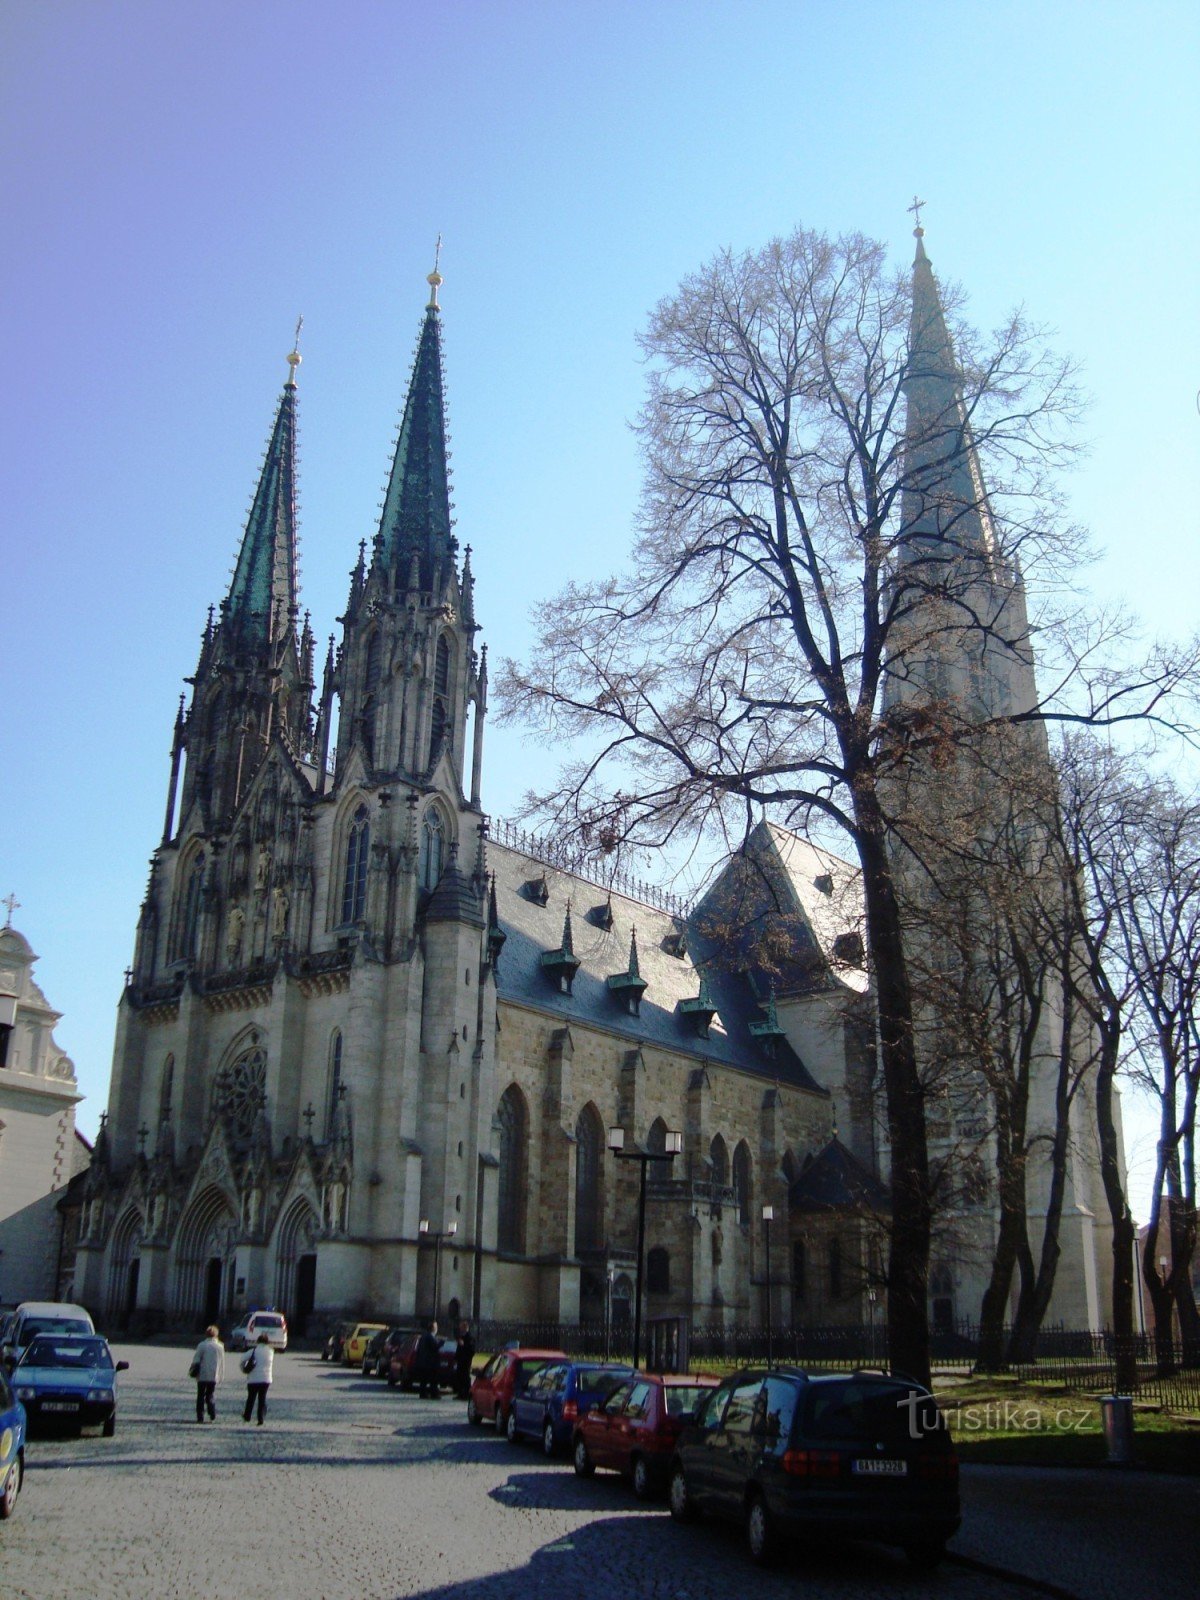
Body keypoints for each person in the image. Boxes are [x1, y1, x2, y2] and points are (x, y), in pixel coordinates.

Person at [191, 1324, 225, 1422]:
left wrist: (193, 1369)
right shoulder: (220, 1346)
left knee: (200, 1395)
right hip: (214, 1375)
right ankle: (212, 1411)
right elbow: (222, 1362)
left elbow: (196, 1359)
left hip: (202, 1374)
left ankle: (200, 1415)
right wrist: (221, 1375)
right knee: (210, 1394)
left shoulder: (202, 1345)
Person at [241, 1331, 275, 1425]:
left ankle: (247, 1416)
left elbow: (242, 1359)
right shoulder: (270, 1352)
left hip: (253, 1378)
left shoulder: (253, 1351)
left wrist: (244, 1369)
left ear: (258, 1341)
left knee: (251, 1398)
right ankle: (261, 1418)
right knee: (262, 1398)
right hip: (266, 1378)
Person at [416, 1319, 440, 1399]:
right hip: (430, 1362)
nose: (437, 1329)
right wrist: (441, 1343)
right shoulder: (430, 1336)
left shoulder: (424, 1336)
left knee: (424, 1379)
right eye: (436, 1327)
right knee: (433, 1379)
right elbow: (434, 1347)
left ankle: (423, 1393)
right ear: (433, 1328)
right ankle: (434, 1394)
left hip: (424, 1361)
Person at [454, 1319, 475, 1400]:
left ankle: (466, 1394)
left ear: (465, 1328)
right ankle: (460, 1394)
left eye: (461, 1327)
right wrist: (456, 1358)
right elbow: (458, 1348)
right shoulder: (461, 1337)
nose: (460, 1329)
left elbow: (472, 1350)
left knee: (465, 1377)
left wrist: (464, 1345)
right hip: (460, 1361)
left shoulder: (470, 1337)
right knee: (459, 1377)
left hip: (466, 1361)